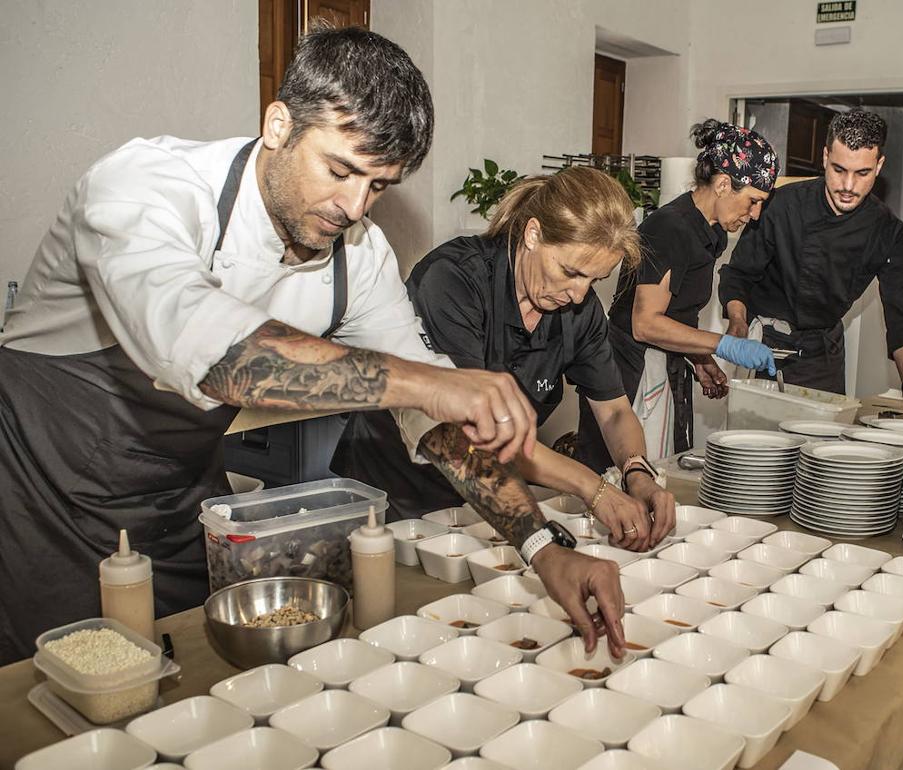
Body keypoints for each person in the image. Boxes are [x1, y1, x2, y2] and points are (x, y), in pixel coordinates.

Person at [0, 27, 624, 664]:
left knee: (188, 673)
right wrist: (432, 381)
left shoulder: (359, 257)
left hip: (182, 490)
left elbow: (433, 424)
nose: (355, 207)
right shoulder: (147, 186)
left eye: (378, 185)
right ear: (278, 125)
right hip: (45, 488)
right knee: (54, 693)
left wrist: (543, 548)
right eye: (340, 170)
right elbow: (217, 356)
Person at [333, 167, 677, 551]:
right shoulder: (453, 281)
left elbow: (613, 410)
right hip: (396, 493)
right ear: (533, 234)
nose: (579, 295)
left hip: (492, 500)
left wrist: (637, 472)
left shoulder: (579, 311)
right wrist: (592, 487)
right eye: (570, 272)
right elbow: (476, 431)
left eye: (593, 281)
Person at [575, 120, 778, 470]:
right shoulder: (670, 227)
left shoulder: (708, 232)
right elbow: (645, 324)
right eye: (753, 201)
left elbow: (677, 311)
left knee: (666, 473)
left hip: (665, 367)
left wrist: (700, 359)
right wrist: (722, 344)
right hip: (629, 375)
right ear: (724, 184)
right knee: (626, 478)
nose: (755, 214)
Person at [718, 108, 903, 420]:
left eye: (862, 173)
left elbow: (901, 314)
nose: (848, 186)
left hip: (823, 357)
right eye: (839, 169)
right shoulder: (781, 205)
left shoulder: (887, 231)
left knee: (819, 455)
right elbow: (738, 274)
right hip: (764, 349)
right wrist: (737, 323)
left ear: (879, 166)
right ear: (824, 157)